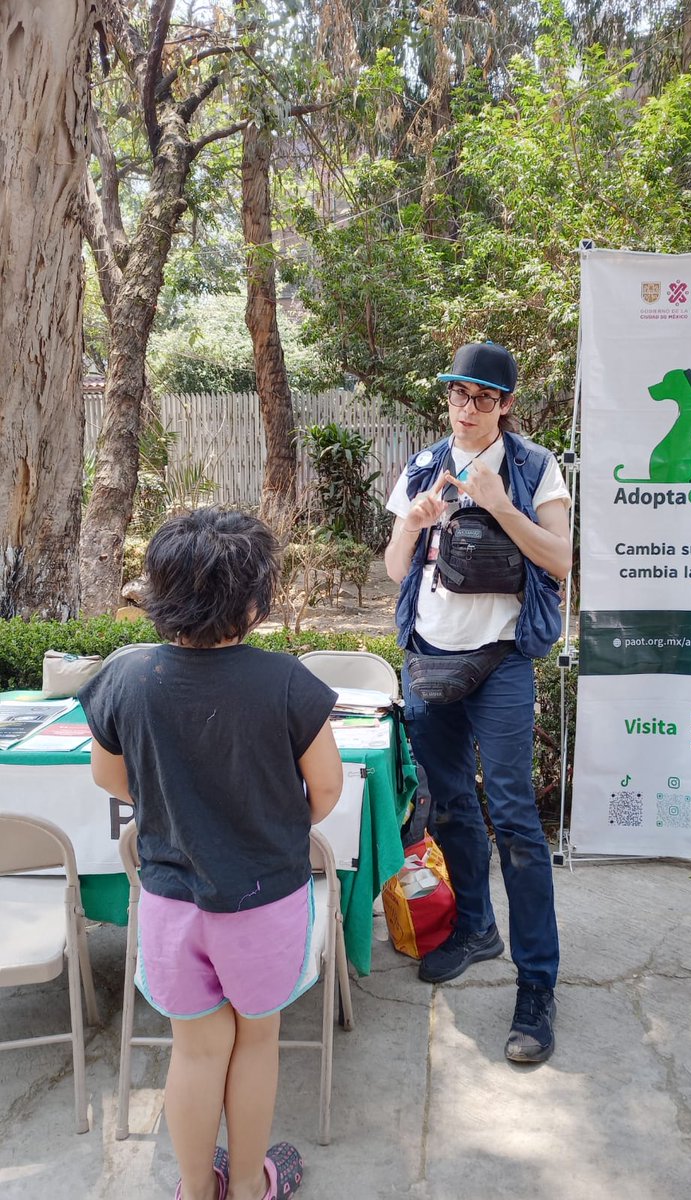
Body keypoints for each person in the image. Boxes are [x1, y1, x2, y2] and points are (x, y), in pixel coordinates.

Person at [79, 507, 344, 1200]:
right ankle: (253, 1186)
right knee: (256, 1043)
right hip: (264, 896)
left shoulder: (125, 678)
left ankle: (199, 1190)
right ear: (255, 602)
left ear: (160, 595)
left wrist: (180, 801)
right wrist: (267, 819)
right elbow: (325, 789)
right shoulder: (289, 683)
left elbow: (110, 779)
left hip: (172, 898)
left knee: (193, 1052)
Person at [384, 341, 572, 1063]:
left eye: (482, 399)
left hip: (500, 665)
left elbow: (559, 560)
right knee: (450, 804)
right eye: (457, 396)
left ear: (505, 406)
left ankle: (536, 983)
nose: (465, 409)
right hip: (430, 660)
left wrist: (498, 505)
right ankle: (472, 927)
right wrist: (413, 521)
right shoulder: (423, 465)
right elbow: (396, 569)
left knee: (516, 817)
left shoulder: (532, 467)